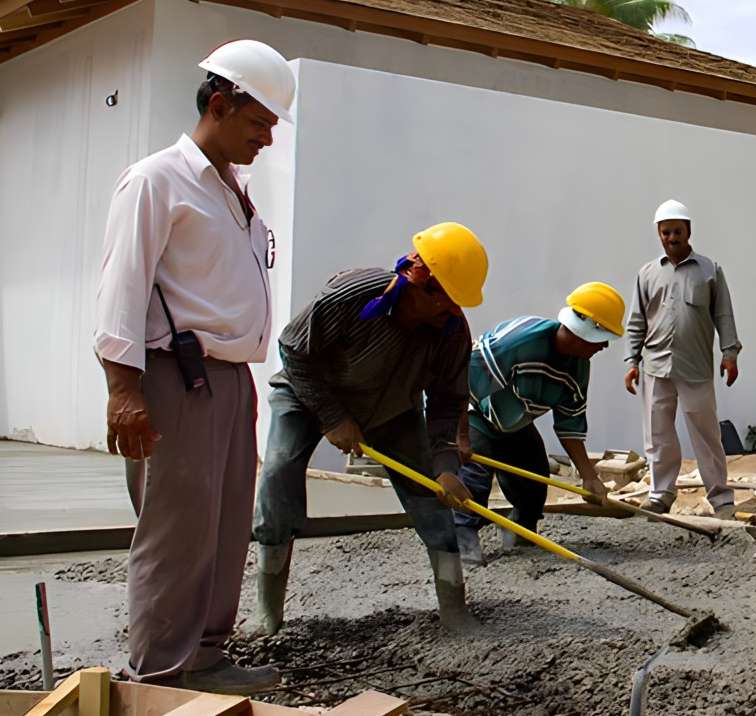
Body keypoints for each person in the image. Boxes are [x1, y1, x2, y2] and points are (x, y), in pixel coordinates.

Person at [93, 39, 295, 694]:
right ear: (219, 102)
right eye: (259, 122)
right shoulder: (158, 180)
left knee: (226, 524)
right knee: (177, 533)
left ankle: (206, 656)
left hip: (230, 379)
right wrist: (123, 389)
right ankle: (156, 675)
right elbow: (121, 287)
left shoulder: (233, 190)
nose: (267, 138)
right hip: (174, 376)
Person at [248, 222, 488, 636]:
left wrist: (446, 465)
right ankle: (268, 612)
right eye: (446, 299)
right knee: (278, 474)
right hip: (307, 396)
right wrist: (332, 416)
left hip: (393, 410)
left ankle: (455, 611)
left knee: (433, 499)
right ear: (418, 278)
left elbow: (448, 402)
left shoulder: (451, 332)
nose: (453, 311)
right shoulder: (352, 295)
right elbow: (293, 350)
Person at [453, 282, 626, 567]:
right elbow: (461, 384)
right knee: (474, 476)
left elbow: (569, 424)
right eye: (602, 337)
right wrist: (459, 436)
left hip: (515, 423)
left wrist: (589, 475)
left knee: (533, 477)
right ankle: (462, 537)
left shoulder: (578, 367)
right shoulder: (519, 343)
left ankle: (519, 530)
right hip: (476, 414)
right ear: (583, 332)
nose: (604, 346)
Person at [624, 200, 743, 518]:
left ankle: (721, 498)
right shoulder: (647, 274)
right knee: (658, 433)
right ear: (658, 234)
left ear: (688, 231)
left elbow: (723, 314)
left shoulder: (710, 270)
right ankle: (661, 493)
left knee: (706, 434)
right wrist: (631, 361)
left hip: (696, 368)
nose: (671, 238)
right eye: (665, 232)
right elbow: (637, 320)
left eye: (677, 231)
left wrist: (729, 353)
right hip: (655, 366)